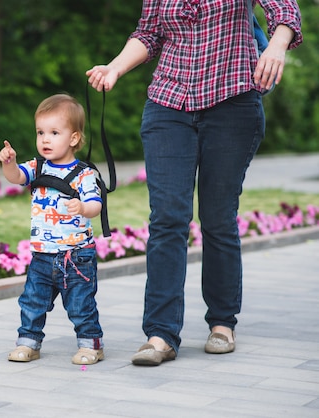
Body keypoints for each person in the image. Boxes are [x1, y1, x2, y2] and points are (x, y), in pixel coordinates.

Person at [86, 1, 302, 366]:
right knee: (167, 217)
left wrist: (277, 46)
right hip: (168, 103)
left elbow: (285, 9)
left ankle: (222, 323)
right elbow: (149, 33)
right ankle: (161, 334)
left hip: (232, 100)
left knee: (217, 217)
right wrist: (115, 67)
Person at [0, 94, 105, 365]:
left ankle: (90, 343)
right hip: (43, 255)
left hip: (76, 256)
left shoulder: (84, 174)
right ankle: (28, 342)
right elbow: (16, 178)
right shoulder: (37, 167)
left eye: (54, 133)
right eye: (40, 132)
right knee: (33, 301)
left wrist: (82, 207)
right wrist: (8, 163)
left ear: (73, 138)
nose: (45, 139)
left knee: (80, 304)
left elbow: (95, 204)